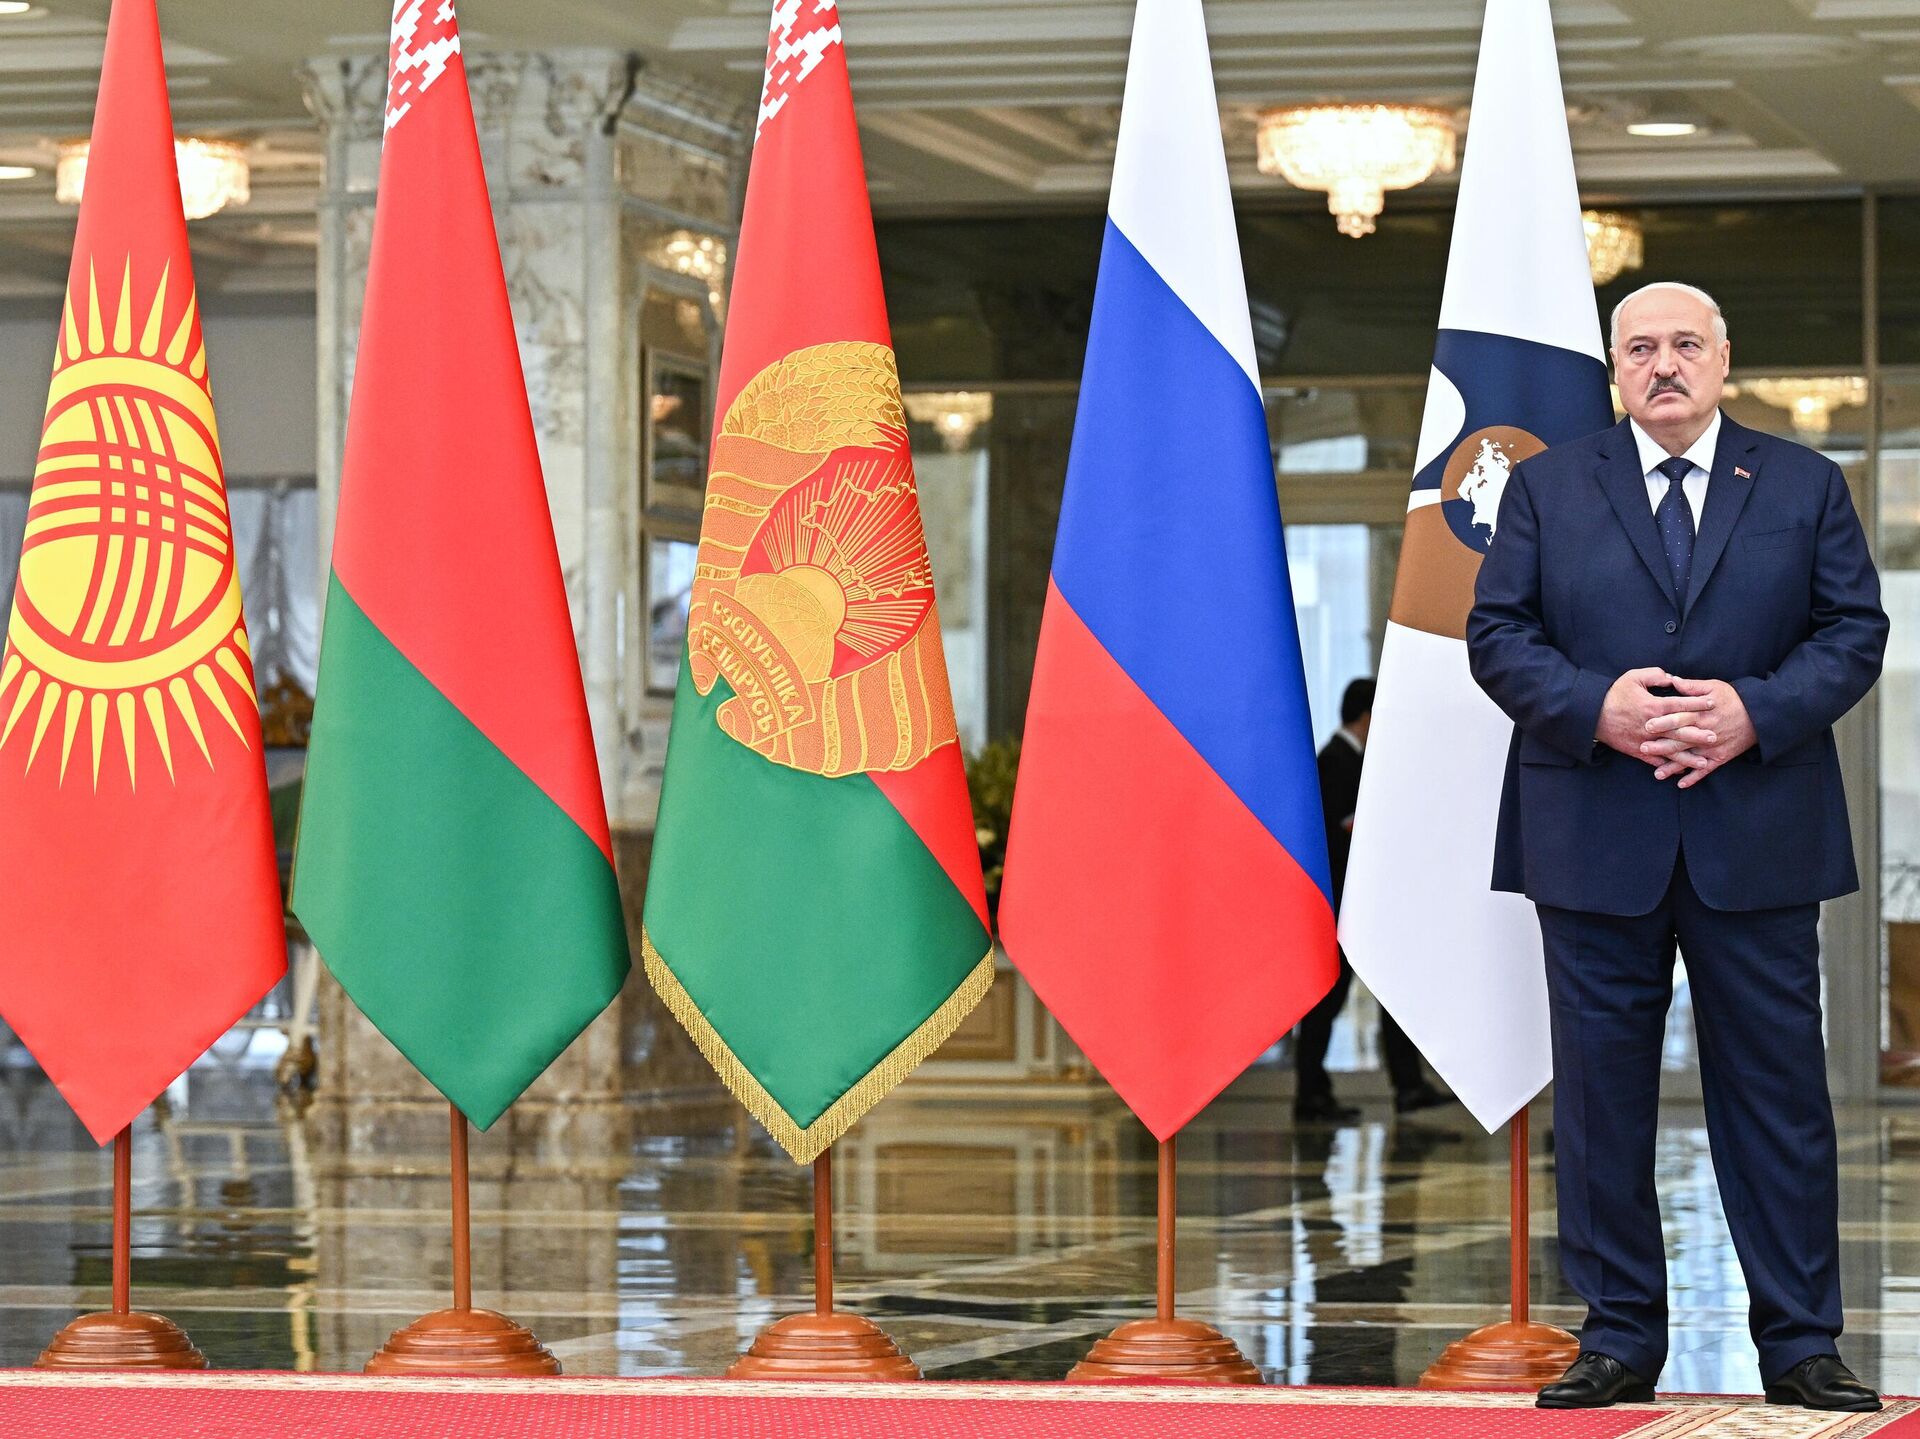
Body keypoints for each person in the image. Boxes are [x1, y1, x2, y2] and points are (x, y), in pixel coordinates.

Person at [1466, 282, 1887, 1413]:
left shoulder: (1804, 482)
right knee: (1601, 1104)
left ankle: (1800, 1341)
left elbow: (1854, 630)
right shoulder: (1547, 486)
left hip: (1760, 833)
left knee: (1779, 1099)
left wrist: (1757, 709)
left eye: (1686, 344)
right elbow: (1497, 633)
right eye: (1641, 347)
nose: (1664, 364)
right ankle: (1616, 1336)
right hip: (1591, 830)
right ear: (1615, 369)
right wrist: (1593, 705)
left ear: (1724, 359)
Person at [1294, 677, 1453, 1122]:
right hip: (1342, 906)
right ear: (1366, 716)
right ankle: (1311, 1094)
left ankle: (1407, 1085)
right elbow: (1337, 832)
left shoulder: (1353, 760)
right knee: (1327, 1000)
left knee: (1392, 991)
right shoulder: (1334, 761)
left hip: (1365, 905)